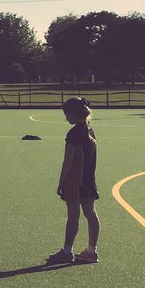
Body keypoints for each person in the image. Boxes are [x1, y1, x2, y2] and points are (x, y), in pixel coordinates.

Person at [48, 97, 101, 264]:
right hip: (88, 180)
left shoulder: (73, 134)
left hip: (75, 182)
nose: (66, 118)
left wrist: (61, 182)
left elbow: (68, 160)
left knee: (73, 216)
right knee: (90, 213)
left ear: (73, 114)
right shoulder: (89, 131)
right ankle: (91, 251)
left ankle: (67, 251)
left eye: (67, 114)